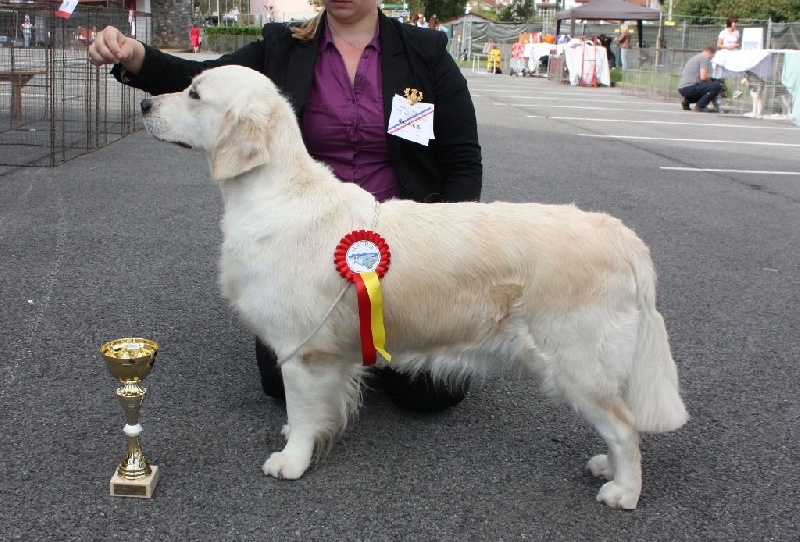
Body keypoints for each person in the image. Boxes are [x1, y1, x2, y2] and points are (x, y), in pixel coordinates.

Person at [87, 0, 482, 413]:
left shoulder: (426, 51)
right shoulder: (283, 46)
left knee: (432, 395)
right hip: (306, 247)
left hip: (404, 247)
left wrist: (448, 251)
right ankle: (350, 349)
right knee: (281, 380)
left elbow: (463, 161)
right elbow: (200, 84)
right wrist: (134, 55)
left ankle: (368, 344)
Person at [678, 46, 722, 112]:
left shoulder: (696, 57)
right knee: (716, 85)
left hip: (683, 88)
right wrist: (712, 83)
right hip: (690, 88)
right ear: (709, 53)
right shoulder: (704, 58)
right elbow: (703, 77)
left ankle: (687, 100)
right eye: (712, 56)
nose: (711, 58)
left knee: (711, 85)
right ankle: (701, 106)